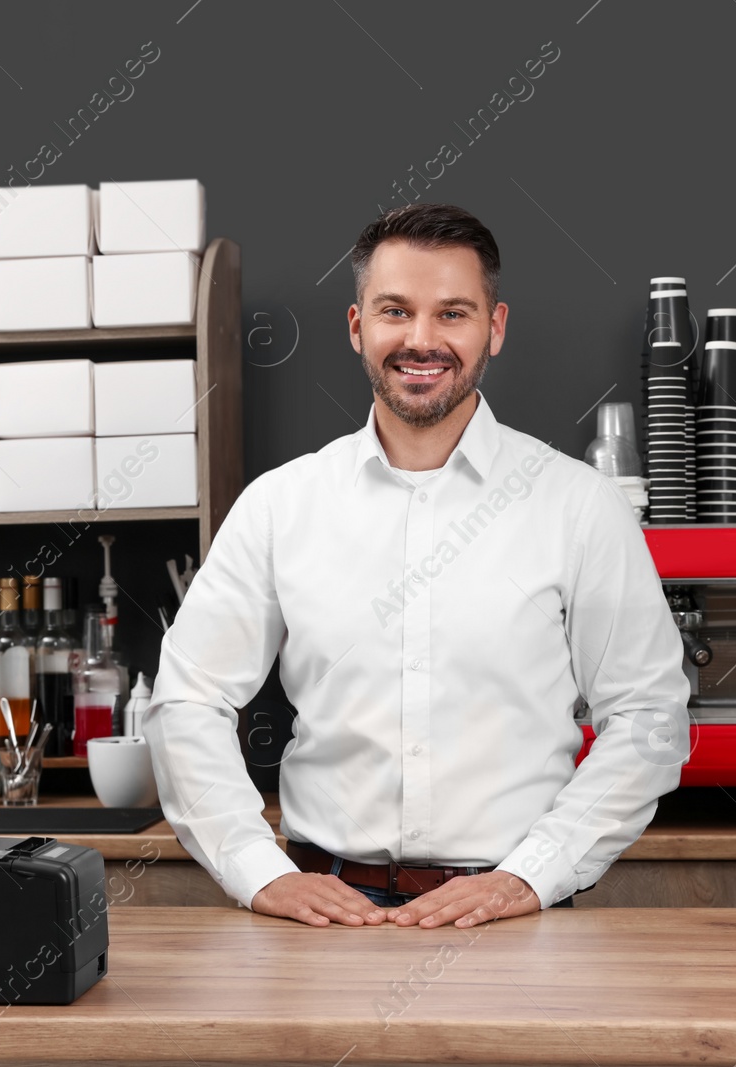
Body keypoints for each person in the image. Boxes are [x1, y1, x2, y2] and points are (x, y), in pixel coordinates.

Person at [145, 202, 688, 930]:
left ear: (494, 327)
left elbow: (649, 718)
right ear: (357, 326)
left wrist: (533, 873)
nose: (421, 340)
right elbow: (187, 700)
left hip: (512, 917)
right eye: (395, 310)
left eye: (453, 313)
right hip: (324, 921)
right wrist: (257, 868)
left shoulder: (580, 506)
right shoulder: (280, 506)